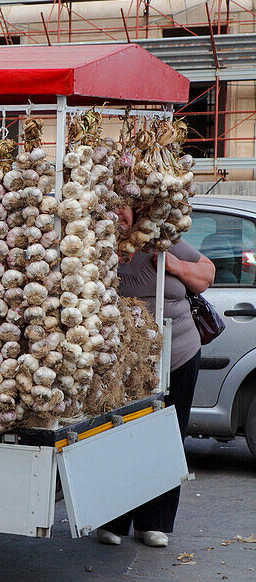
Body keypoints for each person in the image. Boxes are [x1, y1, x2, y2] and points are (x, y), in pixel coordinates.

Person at [95, 205, 215, 547]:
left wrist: (173, 264)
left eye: (125, 207)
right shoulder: (100, 244)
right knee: (117, 435)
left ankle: (154, 523)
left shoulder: (162, 239)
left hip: (178, 352)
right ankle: (112, 521)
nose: (120, 213)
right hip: (124, 359)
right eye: (114, 206)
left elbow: (207, 274)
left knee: (168, 434)